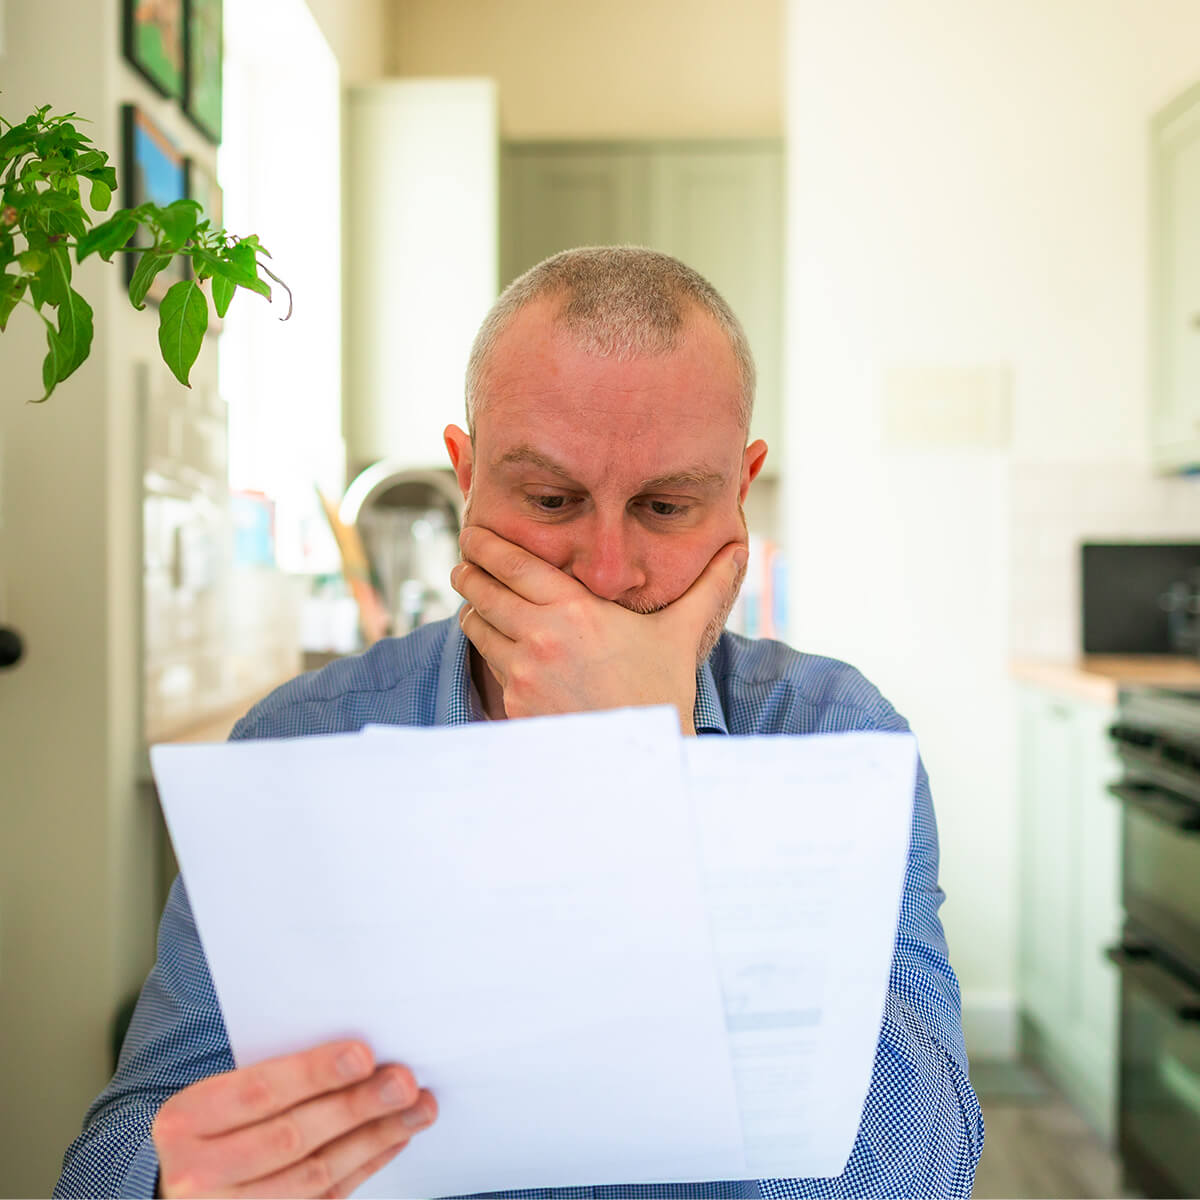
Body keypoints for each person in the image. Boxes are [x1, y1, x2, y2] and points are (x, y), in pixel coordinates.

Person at [55, 247, 984, 1199]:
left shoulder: (832, 736)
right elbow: (107, 1160)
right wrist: (173, 1183)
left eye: (666, 507)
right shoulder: (300, 744)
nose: (606, 570)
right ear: (466, 476)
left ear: (739, 490)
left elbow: (917, 1175)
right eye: (549, 501)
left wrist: (655, 774)